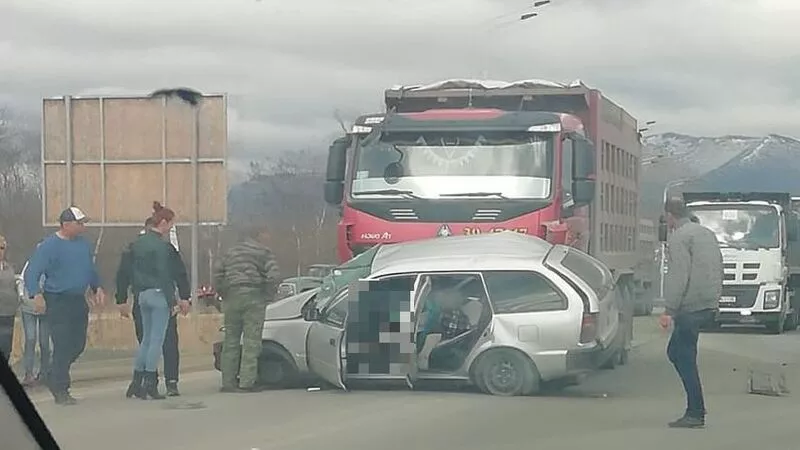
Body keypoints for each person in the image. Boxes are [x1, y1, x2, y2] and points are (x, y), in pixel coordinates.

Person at [24, 207, 105, 405]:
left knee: (78, 345)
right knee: (62, 344)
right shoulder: (50, 246)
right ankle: (61, 388)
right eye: (80, 223)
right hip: (57, 299)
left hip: (78, 299)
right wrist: (36, 295)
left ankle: (52, 373)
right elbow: (31, 272)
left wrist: (97, 287)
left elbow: (89, 269)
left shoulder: (83, 245)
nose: (83, 227)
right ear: (66, 224)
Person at [660, 197, 723, 429]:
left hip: (690, 306)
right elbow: (719, 266)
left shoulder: (680, 237)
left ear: (669, 216)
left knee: (682, 356)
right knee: (678, 352)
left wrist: (669, 310)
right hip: (707, 303)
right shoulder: (706, 233)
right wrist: (715, 298)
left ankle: (695, 411)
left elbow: (679, 276)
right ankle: (696, 407)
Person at [121, 202, 190, 400]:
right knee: (157, 340)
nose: (170, 228)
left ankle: (138, 379)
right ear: (162, 222)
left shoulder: (136, 245)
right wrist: (173, 300)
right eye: (170, 224)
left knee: (145, 340)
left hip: (141, 295)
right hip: (159, 294)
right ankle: (150, 382)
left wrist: (122, 296)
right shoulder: (163, 247)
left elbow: (125, 272)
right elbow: (166, 274)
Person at [213, 224, 280, 393]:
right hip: (254, 296)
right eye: (267, 233)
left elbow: (217, 274)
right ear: (259, 234)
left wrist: (224, 293)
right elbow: (273, 276)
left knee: (231, 340)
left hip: (232, 297)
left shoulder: (230, 252)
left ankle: (228, 382)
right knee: (251, 341)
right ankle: (247, 382)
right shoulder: (264, 252)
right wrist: (267, 295)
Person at [19, 243, 51, 387]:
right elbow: (21, 280)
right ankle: (28, 374)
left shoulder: (51, 267)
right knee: (31, 339)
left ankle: (44, 373)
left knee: (45, 342)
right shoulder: (29, 264)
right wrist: (22, 297)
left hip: (45, 308)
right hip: (28, 306)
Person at [0, 234, 19, 362]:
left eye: (2, 247)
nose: (1, 251)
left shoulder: (9, 267)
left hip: (8, 312)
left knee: (6, 347)